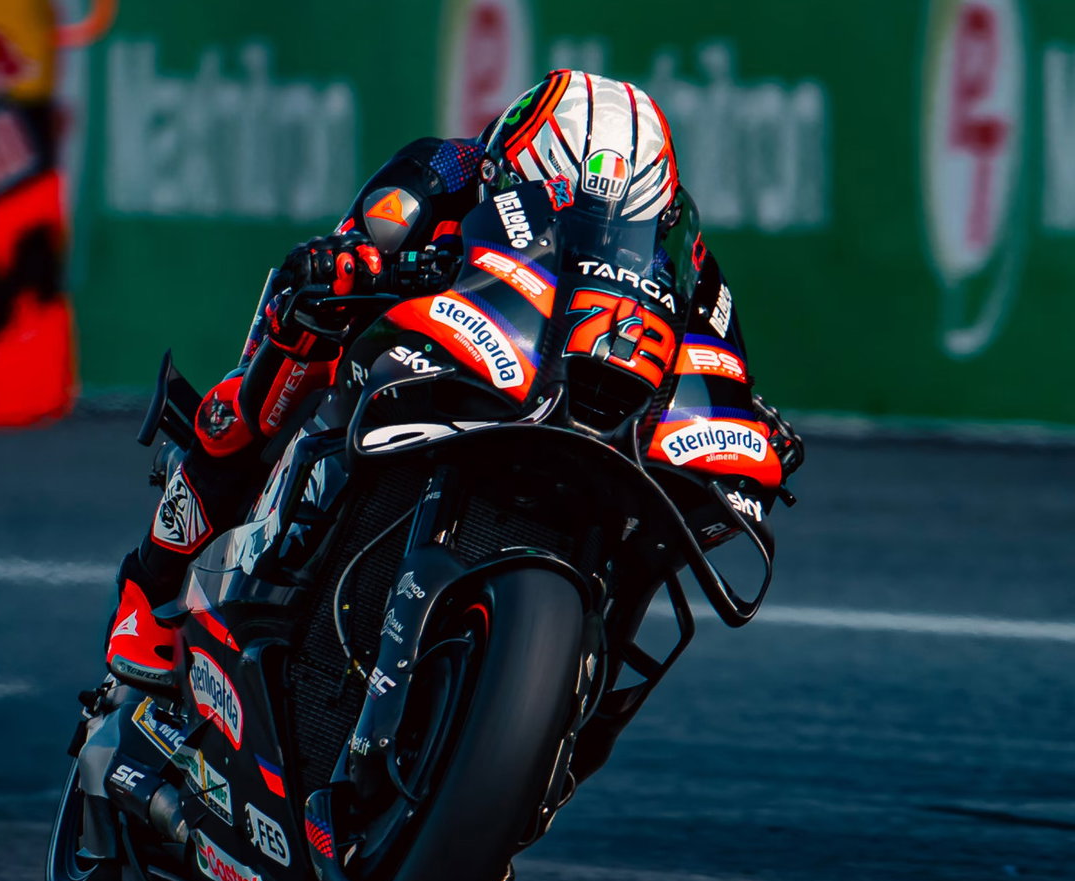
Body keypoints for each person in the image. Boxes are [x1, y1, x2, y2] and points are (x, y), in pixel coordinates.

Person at [105, 69, 804, 689]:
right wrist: (351, 266)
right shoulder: (442, 171)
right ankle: (149, 594)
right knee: (248, 399)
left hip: (570, 400)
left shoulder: (684, 257)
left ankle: (568, 689)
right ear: (507, 169)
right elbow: (353, 243)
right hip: (424, 349)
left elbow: (716, 347)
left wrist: (746, 414)